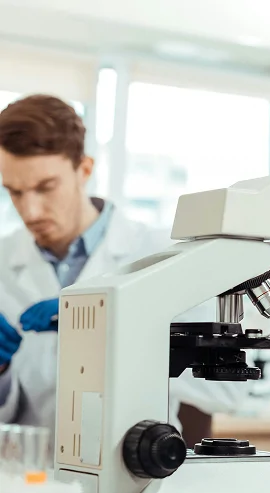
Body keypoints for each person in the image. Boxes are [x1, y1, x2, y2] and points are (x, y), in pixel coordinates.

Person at [0, 94, 244, 442]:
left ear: (84, 169)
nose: (31, 210)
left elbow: (225, 392)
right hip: (31, 482)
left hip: (133, 481)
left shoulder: (165, 257)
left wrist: (110, 330)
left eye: (45, 187)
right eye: (14, 192)